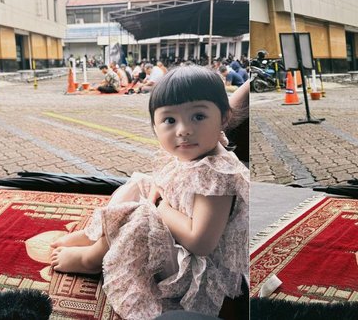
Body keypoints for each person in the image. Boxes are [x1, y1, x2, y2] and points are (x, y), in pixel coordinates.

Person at [50, 65, 249, 319]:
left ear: (223, 118)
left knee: (141, 215)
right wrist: (157, 192)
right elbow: (168, 182)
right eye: (170, 120)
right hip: (178, 234)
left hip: (192, 267)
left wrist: (160, 207)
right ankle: (95, 235)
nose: (183, 130)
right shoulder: (195, 149)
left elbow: (201, 242)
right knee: (139, 183)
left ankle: (92, 258)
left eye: (198, 117)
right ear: (155, 126)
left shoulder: (217, 175)